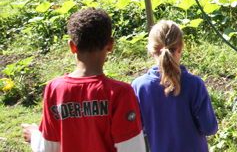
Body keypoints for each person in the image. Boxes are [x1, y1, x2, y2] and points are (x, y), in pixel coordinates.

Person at [21, 9, 146, 152]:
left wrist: (34, 136)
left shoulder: (55, 89)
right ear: (110, 44)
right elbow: (133, 148)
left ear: (72, 46)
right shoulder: (120, 93)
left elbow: (48, 148)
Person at [131, 20, 218, 152]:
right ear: (181, 48)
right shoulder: (194, 84)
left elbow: (135, 129)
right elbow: (209, 128)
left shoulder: (140, 86)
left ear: (152, 50)